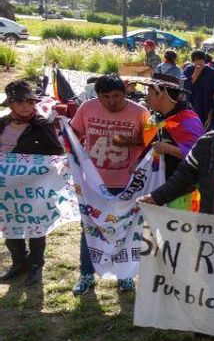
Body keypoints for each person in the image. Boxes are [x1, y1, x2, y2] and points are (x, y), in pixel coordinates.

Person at [70, 74, 149, 295]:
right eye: (106, 97)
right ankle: (87, 274)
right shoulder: (86, 108)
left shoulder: (140, 112)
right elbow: (73, 135)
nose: (112, 101)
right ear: (98, 95)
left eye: (117, 96)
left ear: (125, 93)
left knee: (126, 229)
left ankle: (125, 276)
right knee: (90, 229)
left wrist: (128, 142)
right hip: (93, 184)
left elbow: (152, 141)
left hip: (128, 184)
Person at [0, 81, 65, 285]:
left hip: (35, 186)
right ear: (11, 104)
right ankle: (18, 263)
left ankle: (36, 264)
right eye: (20, 102)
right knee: (10, 223)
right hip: (7, 187)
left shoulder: (42, 125)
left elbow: (56, 154)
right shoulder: (2, 124)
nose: (25, 106)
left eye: (29, 102)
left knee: (36, 225)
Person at [138, 72, 204, 209]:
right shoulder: (155, 118)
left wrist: (168, 149)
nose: (146, 96)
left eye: (149, 90)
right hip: (154, 187)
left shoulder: (188, 120)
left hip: (180, 192)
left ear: (160, 93)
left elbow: (199, 155)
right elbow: (144, 145)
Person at [183, 50, 214, 131]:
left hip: (207, 103)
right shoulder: (189, 70)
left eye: (201, 59)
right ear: (193, 61)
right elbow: (185, 86)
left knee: (206, 124)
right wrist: (196, 72)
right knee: (192, 123)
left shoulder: (211, 72)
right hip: (192, 101)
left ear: (204, 60)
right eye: (196, 59)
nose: (199, 61)